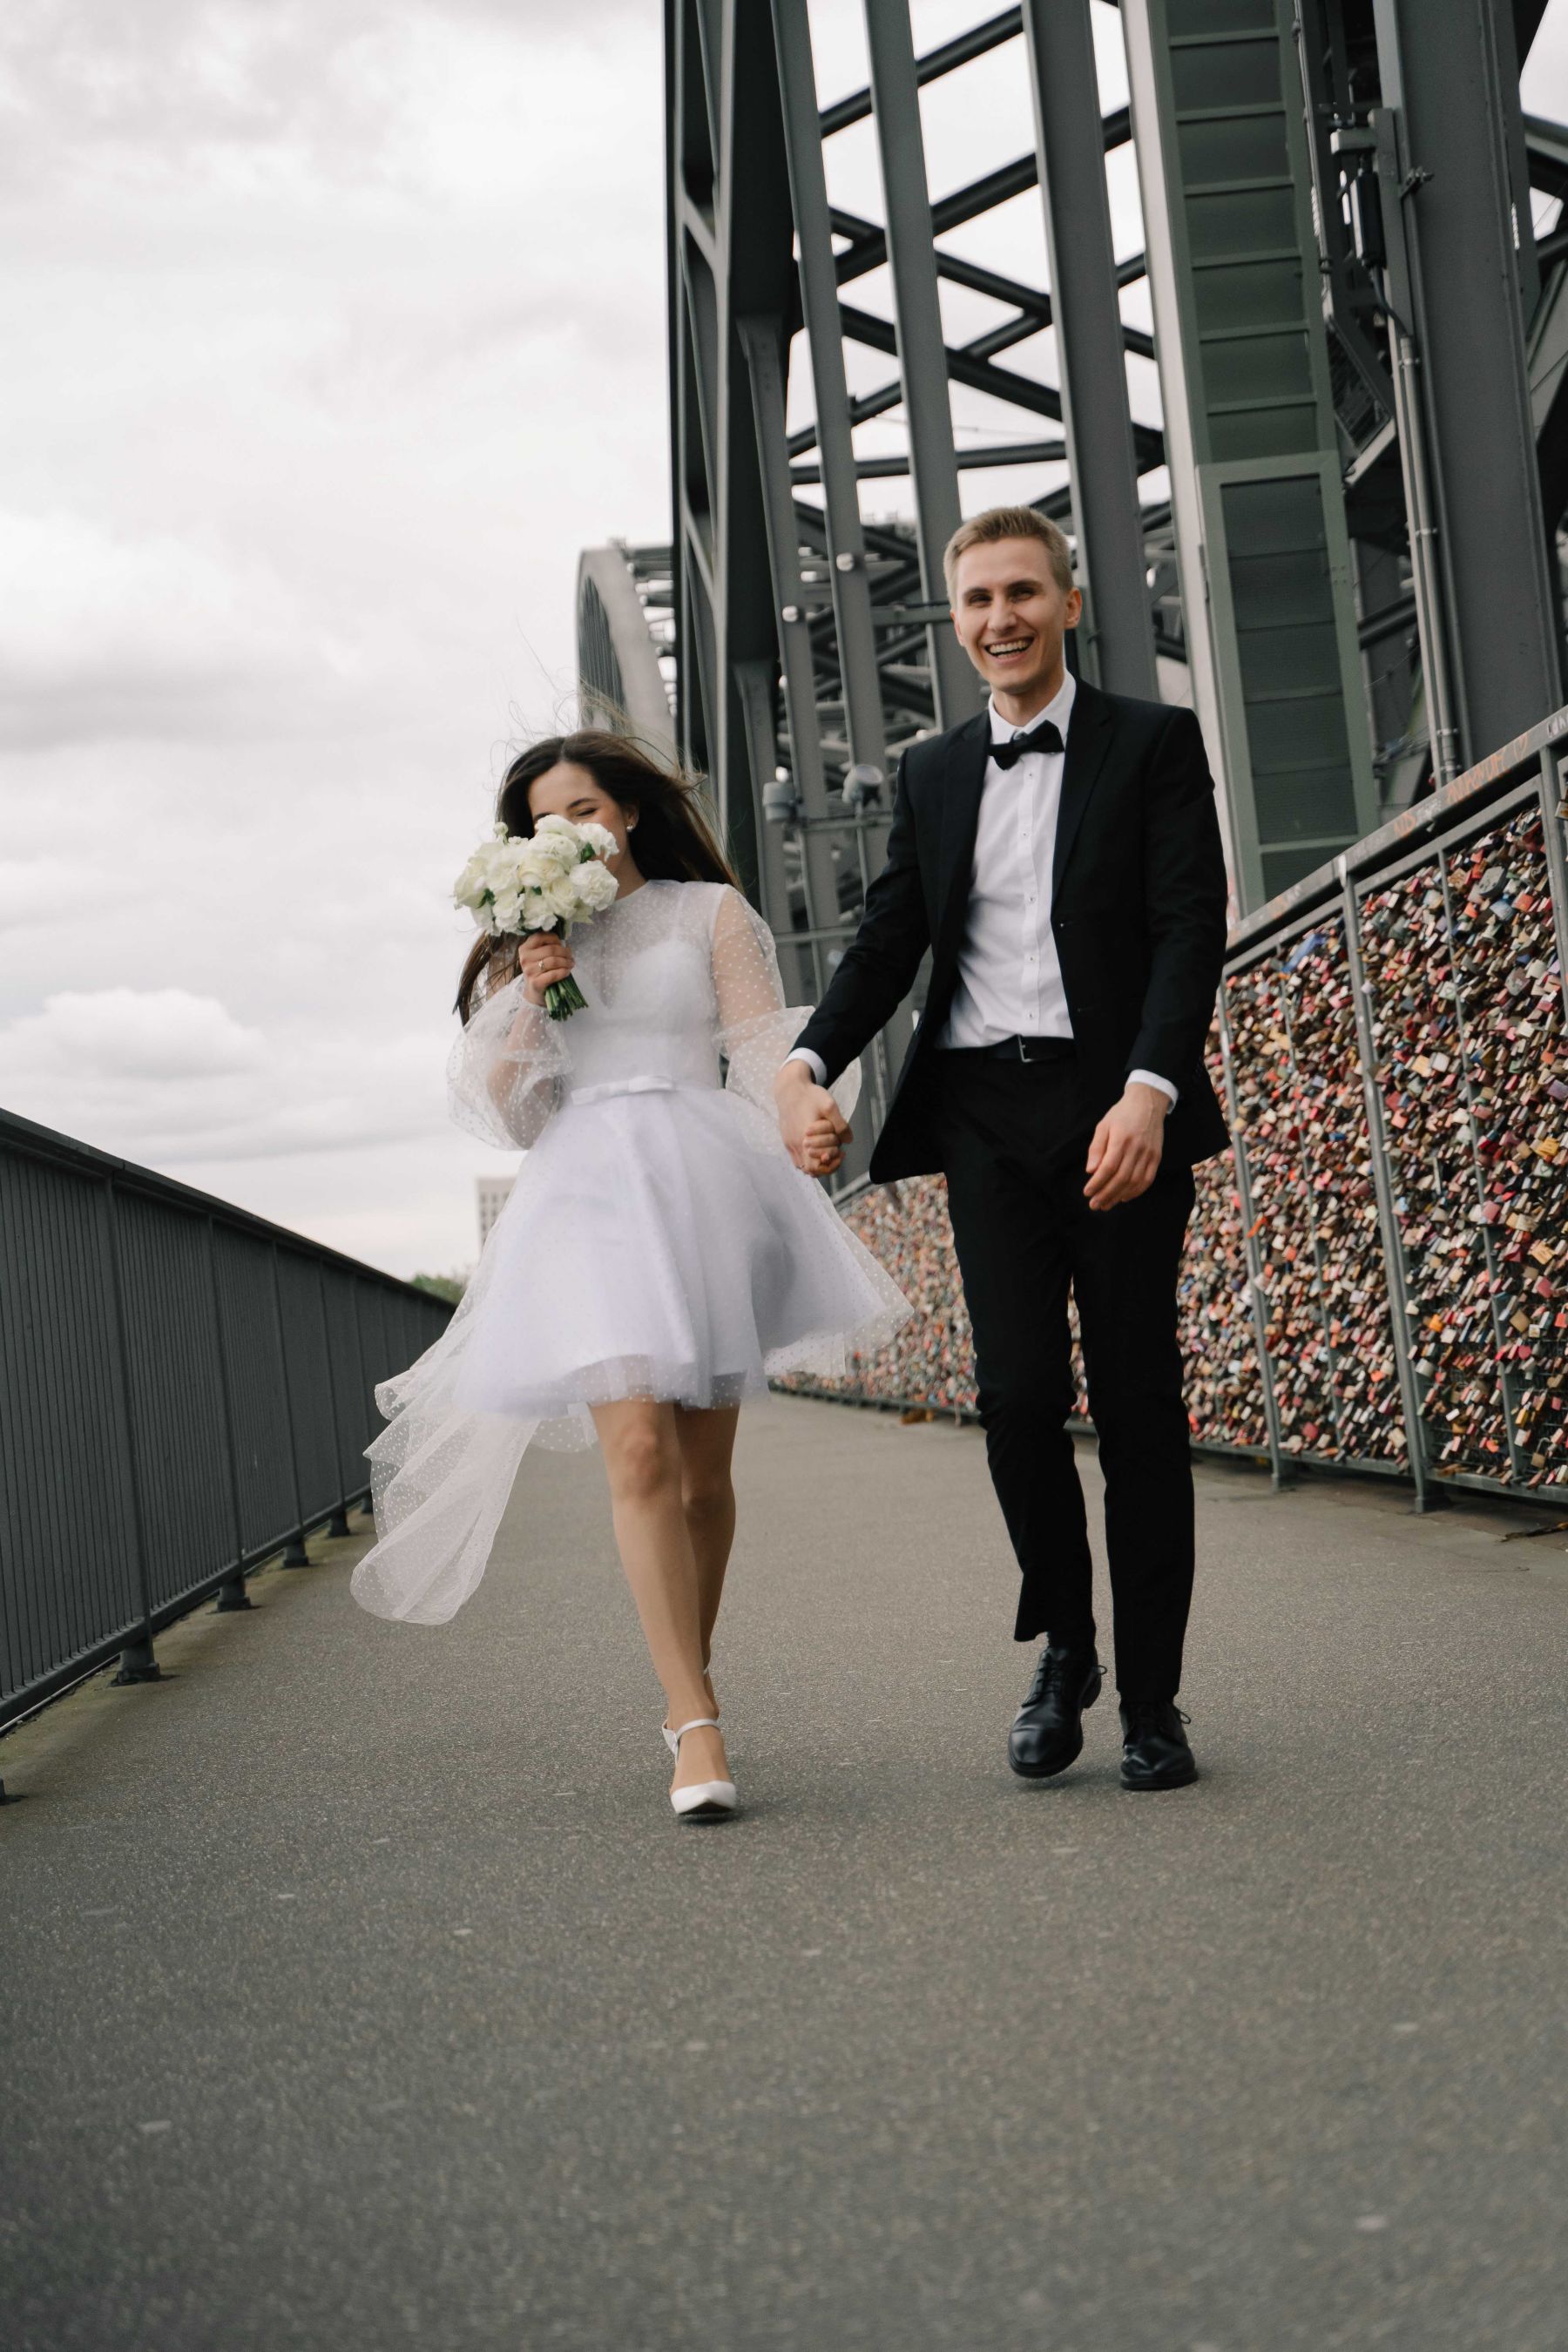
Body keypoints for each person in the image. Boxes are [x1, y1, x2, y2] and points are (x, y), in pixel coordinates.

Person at [352, 730, 908, 1820]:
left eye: (585, 810)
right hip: (588, 1201)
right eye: (543, 822)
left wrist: (803, 1107)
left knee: (702, 1481)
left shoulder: (708, 913)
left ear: (630, 813)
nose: (569, 833)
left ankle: (684, 1672)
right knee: (640, 1449)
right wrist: (532, 990)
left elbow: (759, 1044)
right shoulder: (524, 945)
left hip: (704, 1189)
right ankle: (694, 1720)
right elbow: (516, 1118)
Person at [775, 506, 1229, 1793]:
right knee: (1017, 1396)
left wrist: (1150, 1090)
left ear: (1068, 604)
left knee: (1137, 1403)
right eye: (977, 600)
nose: (1000, 618)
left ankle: (1153, 1700)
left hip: (1114, 1104)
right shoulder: (932, 773)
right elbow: (888, 941)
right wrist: (805, 1064)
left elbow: (1190, 924)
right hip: (984, 1112)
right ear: (959, 621)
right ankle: (1066, 1645)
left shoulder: (1152, 742)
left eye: (1022, 592)